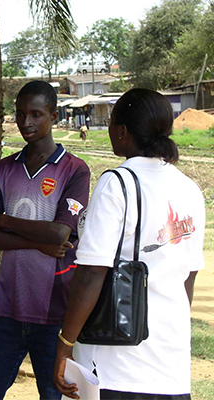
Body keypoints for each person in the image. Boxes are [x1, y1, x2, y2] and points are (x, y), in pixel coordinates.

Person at [54, 88, 206, 400]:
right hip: (171, 366)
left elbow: (91, 273)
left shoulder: (117, 183)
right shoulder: (189, 189)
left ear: (122, 132)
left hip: (118, 366)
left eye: (111, 123)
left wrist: (64, 344)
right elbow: (188, 277)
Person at [0, 80, 90, 399]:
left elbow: (60, 233)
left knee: (53, 395)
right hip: (6, 309)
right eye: (20, 114)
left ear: (53, 116)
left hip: (55, 313)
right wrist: (37, 243)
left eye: (36, 114)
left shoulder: (75, 170)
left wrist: (4, 219)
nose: (26, 122)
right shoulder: (3, 170)